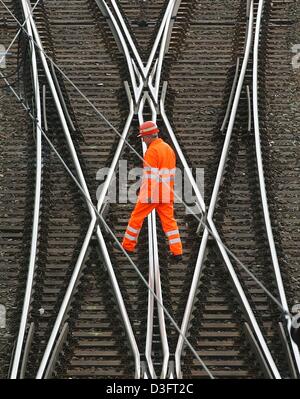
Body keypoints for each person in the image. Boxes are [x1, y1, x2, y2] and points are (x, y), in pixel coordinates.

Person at [121, 121, 183, 262]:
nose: (142, 140)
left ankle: (127, 247)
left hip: (152, 194)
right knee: (169, 222)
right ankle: (177, 252)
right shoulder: (168, 149)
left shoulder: (151, 151)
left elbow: (150, 177)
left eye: (143, 137)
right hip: (166, 193)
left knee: (136, 218)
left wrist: (148, 195)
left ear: (149, 136)